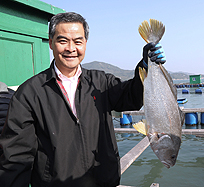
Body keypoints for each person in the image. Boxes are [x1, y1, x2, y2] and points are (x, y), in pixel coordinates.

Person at [0, 12, 166, 187]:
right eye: (63, 40)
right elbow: (17, 156)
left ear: (85, 43)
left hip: (104, 182)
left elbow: (131, 97)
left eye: (78, 41)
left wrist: (146, 67)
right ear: (50, 42)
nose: (71, 48)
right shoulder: (29, 93)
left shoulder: (102, 82)